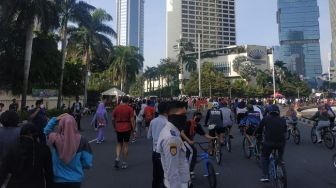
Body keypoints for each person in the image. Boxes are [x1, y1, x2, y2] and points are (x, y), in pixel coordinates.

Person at [44, 114, 93, 188]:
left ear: (61, 125)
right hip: (75, 180)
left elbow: (45, 132)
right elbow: (87, 163)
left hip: (57, 180)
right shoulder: (82, 141)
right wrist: (78, 166)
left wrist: (55, 119)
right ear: (75, 125)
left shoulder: (55, 138)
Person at [0, 123, 53, 188]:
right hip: (37, 184)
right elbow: (49, 173)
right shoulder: (44, 149)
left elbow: (4, 170)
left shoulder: (13, 148)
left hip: (15, 184)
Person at [157, 101, 190, 188]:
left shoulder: (173, 132)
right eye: (182, 114)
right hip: (179, 184)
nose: (184, 117)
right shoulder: (171, 138)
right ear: (171, 116)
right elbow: (172, 170)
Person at [256, 104, 287, 182]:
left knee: (264, 156)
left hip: (269, 143)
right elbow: (285, 130)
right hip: (281, 143)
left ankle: (265, 175)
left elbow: (259, 128)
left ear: (269, 111)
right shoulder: (283, 119)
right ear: (278, 112)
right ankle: (280, 162)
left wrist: (258, 134)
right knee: (280, 156)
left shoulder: (266, 118)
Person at [181, 112, 215, 179]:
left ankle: (190, 164)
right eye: (197, 117)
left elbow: (204, 134)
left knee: (193, 153)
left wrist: (213, 138)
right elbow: (182, 133)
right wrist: (189, 141)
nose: (198, 118)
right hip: (182, 141)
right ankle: (190, 171)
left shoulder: (198, 126)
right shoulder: (188, 123)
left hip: (189, 142)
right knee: (193, 151)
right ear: (193, 116)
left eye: (200, 117)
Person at [147, 102, 168, 188]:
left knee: (156, 175)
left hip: (155, 151)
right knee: (164, 176)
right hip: (164, 152)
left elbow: (148, 136)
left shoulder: (153, 121)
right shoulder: (167, 122)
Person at [112, 96, 135, 169]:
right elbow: (132, 120)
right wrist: (133, 130)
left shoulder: (116, 108)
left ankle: (117, 157)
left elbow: (112, 119)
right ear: (128, 101)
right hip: (127, 127)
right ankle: (124, 163)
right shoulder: (130, 109)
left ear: (122, 100)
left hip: (118, 127)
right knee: (126, 145)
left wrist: (114, 126)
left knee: (119, 144)